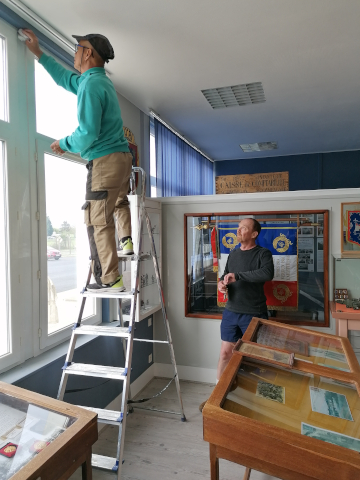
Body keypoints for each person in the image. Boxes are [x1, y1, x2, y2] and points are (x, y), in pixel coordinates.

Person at [24, 30, 133, 292]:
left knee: (97, 220)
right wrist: (39, 53)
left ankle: (109, 278)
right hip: (122, 158)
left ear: (88, 53)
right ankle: (127, 241)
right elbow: (66, 79)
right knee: (118, 202)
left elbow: (87, 133)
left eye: (77, 48)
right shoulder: (99, 82)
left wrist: (64, 144)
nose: (74, 53)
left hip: (105, 161)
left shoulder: (92, 85)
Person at [200, 218, 274, 412]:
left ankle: (252, 403)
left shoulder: (263, 254)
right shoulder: (233, 253)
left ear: (254, 234)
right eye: (239, 227)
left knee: (252, 358)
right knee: (225, 353)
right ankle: (217, 397)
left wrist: (238, 276)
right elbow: (225, 275)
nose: (239, 230)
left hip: (254, 313)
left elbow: (267, 274)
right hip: (231, 311)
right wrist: (221, 284)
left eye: (244, 228)